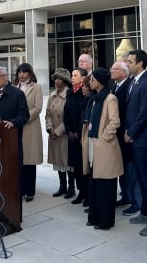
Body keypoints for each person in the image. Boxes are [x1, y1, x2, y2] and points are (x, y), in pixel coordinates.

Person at [124, 49, 147, 236]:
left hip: (143, 139)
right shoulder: (133, 81)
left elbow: (145, 113)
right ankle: (145, 212)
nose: (127, 64)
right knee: (140, 177)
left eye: (130, 61)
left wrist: (131, 132)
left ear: (140, 63)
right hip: (134, 137)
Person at [82, 68, 123, 230]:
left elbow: (114, 122)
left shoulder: (110, 98)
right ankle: (94, 216)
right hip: (93, 146)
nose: (89, 81)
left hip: (105, 148)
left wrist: (104, 138)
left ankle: (105, 221)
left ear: (99, 81)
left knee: (106, 186)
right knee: (94, 184)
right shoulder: (94, 98)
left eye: (92, 79)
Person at [0, 67, 30, 212]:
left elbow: (24, 115)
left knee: (12, 175)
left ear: (6, 77)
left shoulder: (17, 94)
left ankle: (13, 209)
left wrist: (13, 122)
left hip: (11, 142)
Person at [111, 61, 141, 215]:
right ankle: (126, 196)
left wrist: (130, 132)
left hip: (127, 135)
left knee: (131, 171)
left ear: (123, 72)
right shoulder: (114, 86)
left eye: (114, 69)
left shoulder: (130, 85)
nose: (111, 71)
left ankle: (136, 201)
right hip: (117, 136)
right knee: (121, 168)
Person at [15, 63, 43, 202]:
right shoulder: (15, 88)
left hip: (30, 126)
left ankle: (30, 191)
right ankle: (20, 189)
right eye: (19, 72)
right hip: (17, 127)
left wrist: (23, 118)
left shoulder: (36, 87)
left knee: (30, 161)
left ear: (29, 73)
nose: (21, 74)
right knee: (19, 159)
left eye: (24, 72)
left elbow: (38, 108)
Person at [63, 68, 88, 204]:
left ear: (83, 78)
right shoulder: (69, 91)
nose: (72, 78)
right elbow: (65, 112)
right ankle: (80, 192)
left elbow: (84, 114)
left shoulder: (85, 92)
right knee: (75, 166)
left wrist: (78, 131)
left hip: (81, 134)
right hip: (71, 134)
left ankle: (86, 192)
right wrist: (69, 131)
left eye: (75, 75)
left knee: (83, 165)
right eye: (72, 75)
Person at [45, 68, 71, 197]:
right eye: (55, 79)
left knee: (67, 162)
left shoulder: (69, 94)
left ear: (65, 81)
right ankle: (62, 186)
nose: (57, 81)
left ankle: (71, 187)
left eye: (60, 79)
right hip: (53, 134)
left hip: (64, 134)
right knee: (58, 162)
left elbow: (69, 117)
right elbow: (48, 113)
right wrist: (50, 128)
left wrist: (58, 131)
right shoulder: (52, 94)